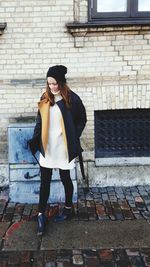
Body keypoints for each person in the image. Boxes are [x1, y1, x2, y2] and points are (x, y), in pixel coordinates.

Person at [28, 65, 87, 235]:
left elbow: (82, 119)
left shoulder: (72, 99)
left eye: (55, 84)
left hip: (64, 147)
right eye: (49, 84)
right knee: (44, 181)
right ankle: (41, 214)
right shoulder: (46, 98)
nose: (52, 87)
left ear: (61, 82)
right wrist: (35, 138)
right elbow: (40, 120)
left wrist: (74, 136)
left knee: (65, 178)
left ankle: (68, 208)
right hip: (48, 146)